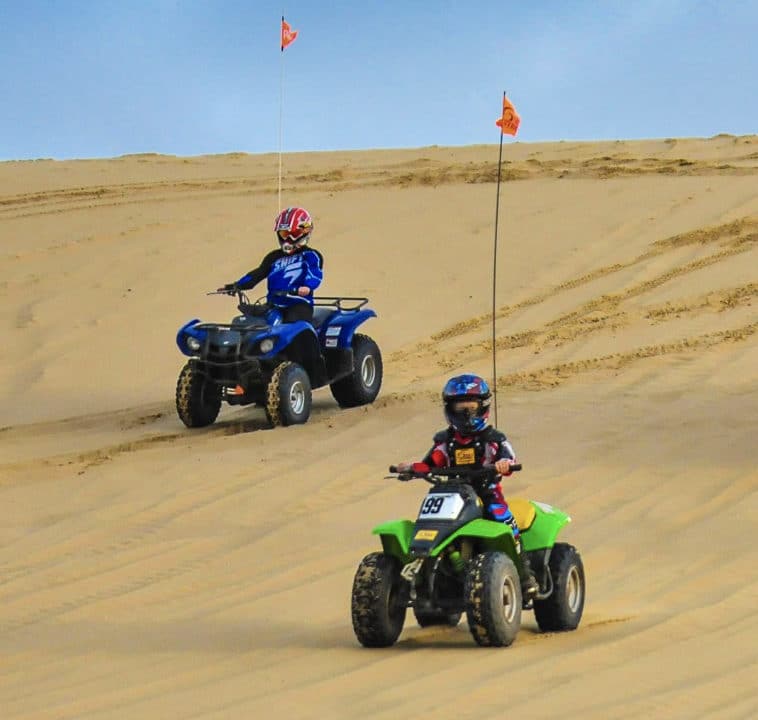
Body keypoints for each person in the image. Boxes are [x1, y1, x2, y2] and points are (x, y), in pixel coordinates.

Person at [396, 373, 540, 599]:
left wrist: (504, 465)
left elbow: (509, 458)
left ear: (482, 407)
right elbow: (430, 463)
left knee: (504, 520)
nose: (466, 413)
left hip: (486, 491)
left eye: (471, 407)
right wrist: (411, 468)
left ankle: (525, 577)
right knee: (427, 522)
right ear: (449, 409)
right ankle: (425, 575)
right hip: (452, 492)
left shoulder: (493, 438)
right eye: (460, 407)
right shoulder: (445, 441)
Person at [219, 207, 323, 322]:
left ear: (305, 233)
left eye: (294, 234)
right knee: (250, 323)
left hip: (299, 304)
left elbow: (314, 273)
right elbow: (258, 273)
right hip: (273, 305)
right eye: (284, 234)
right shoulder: (273, 256)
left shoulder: (310, 255)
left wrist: (307, 286)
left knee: (295, 326)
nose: (288, 238)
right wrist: (236, 286)